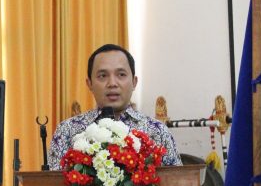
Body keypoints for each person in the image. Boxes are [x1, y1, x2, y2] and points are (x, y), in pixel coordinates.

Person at [48, 44, 182, 170]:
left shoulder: (158, 131)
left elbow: (178, 182)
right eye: (103, 76)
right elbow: (51, 184)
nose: (112, 83)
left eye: (121, 75)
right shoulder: (67, 131)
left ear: (134, 82)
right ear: (89, 84)